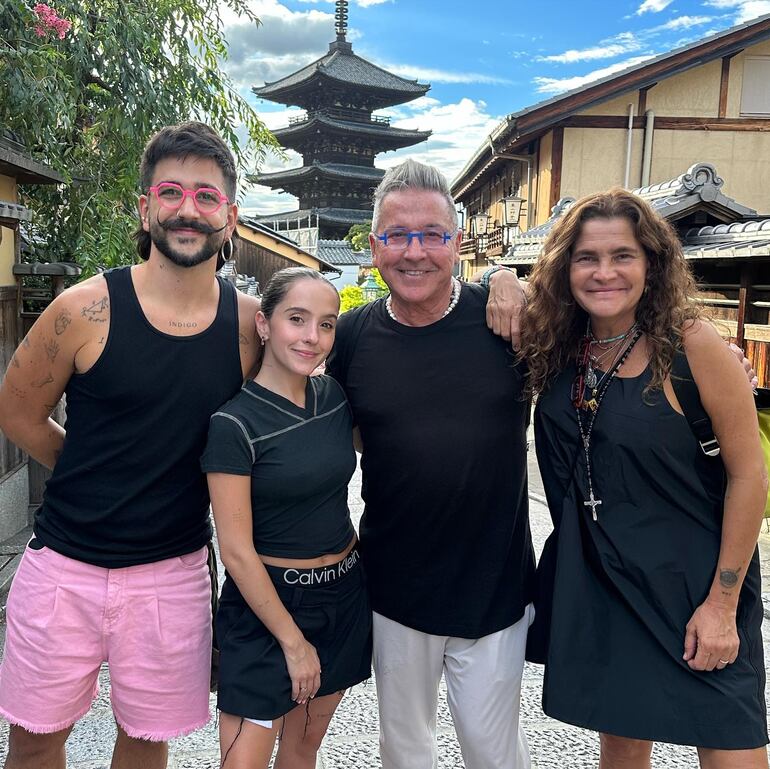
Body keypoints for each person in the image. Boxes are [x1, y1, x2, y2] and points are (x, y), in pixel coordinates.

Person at [0, 122, 262, 769]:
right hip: (65, 567)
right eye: (170, 191)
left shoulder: (247, 327)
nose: (188, 208)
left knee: (146, 744)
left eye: (207, 196)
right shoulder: (81, 309)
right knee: (34, 742)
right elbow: (19, 411)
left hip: (171, 573)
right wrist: (85, 468)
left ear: (230, 216)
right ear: (144, 209)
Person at [520, 189, 768, 768]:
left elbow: (750, 475)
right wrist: (505, 286)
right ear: (564, 268)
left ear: (651, 263)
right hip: (605, 578)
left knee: (728, 737)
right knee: (623, 741)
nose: (604, 272)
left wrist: (723, 602)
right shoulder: (559, 346)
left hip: (694, 582)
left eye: (622, 255)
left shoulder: (693, 345)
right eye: (586, 257)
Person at [326, 159, 535, 769]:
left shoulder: (508, 322)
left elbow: (607, 326)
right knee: (405, 750)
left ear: (457, 242)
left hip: (493, 586)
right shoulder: (352, 338)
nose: (414, 252)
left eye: (432, 235)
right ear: (373, 248)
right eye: (397, 235)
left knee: (495, 753)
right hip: (395, 585)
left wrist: (707, 356)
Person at [201, 267, 371, 769]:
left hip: (341, 596)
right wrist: (292, 643)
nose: (312, 337)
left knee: (301, 754)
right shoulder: (234, 423)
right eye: (297, 319)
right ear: (264, 324)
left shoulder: (335, 398)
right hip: (266, 607)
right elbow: (234, 548)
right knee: (243, 763)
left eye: (326, 324)